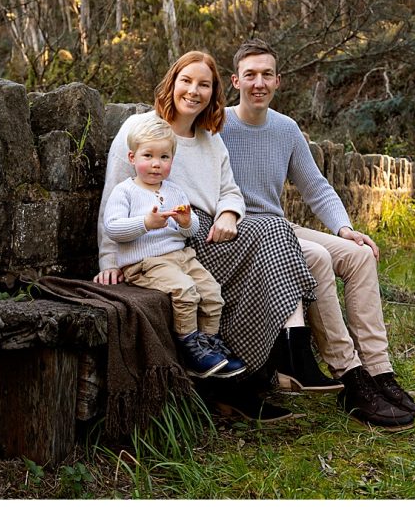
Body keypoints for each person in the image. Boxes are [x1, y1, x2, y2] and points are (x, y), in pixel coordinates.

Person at [219, 38, 415, 430]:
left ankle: (379, 372)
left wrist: (346, 229)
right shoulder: (217, 126)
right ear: (235, 81)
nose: (258, 83)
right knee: (313, 257)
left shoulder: (286, 129)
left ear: (279, 81)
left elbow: (316, 186)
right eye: (250, 75)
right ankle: (348, 373)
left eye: (267, 74)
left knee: (359, 256)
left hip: (281, 225)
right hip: (243, 233)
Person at [96, 50, 322, 422]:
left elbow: (230, 191)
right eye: (187, 80)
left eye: (204, 84)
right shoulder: (141, 130)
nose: (194, 91)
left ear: (214, 93)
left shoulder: (211, 138)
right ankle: (273, 364)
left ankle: (260, 369)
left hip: (207, 231)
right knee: (270, 238)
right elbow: (112, 199)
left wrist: (230, 213)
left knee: (275, 231)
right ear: (172, 83)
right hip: (168, 242)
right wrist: (109, 262)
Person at [103, 116, 245, 379]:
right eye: (149, 156)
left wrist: (186, 222)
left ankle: (208, 343)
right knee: (185, 291)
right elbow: (113, 228)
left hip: (181, 256)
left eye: (164, 157)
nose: (156, 164)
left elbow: (190, 232)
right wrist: (145, 223)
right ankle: (190, 348)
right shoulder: (125, 192)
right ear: (132, 158)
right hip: (145, 262)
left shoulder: (175, 191)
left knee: (212, 291)